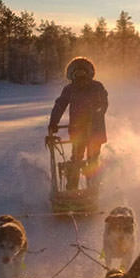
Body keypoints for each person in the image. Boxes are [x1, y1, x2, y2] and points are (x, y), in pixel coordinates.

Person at [48, 57, 108, 190]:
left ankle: (93, 189)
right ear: (72, 75)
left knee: (92, 160)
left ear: (88, 73)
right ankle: (71, 188)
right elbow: (60, 105)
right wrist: (53, 123)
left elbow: (103, 104)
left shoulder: (97, 87)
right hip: (77, 130)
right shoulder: (69, 89)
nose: (80, 77)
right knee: (76, 159)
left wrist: (96, 114)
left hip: (95, 131)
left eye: (83, 73)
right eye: (77, 74)